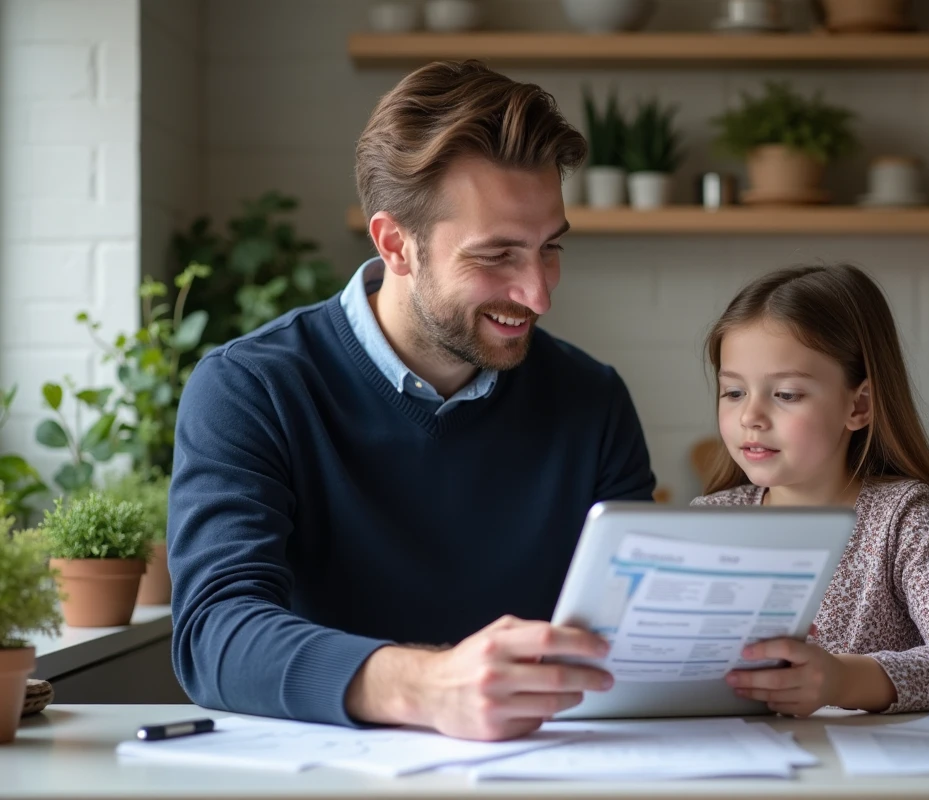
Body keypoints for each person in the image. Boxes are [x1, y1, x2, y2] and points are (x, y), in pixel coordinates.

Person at [168, 60, 657, 741]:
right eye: (497, 256)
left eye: (550, 249)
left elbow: (640, 633)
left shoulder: (592, 400)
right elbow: (215, 633)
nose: (538, 294)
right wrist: (428, 687)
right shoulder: (251, 389)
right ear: (396, 244)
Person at [691, 264, 929, 716]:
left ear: (857, 405)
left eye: (786, 394)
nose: (751, 417)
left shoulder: (900, 519)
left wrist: (840, 679)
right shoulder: (708, 523)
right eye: (734, 392)